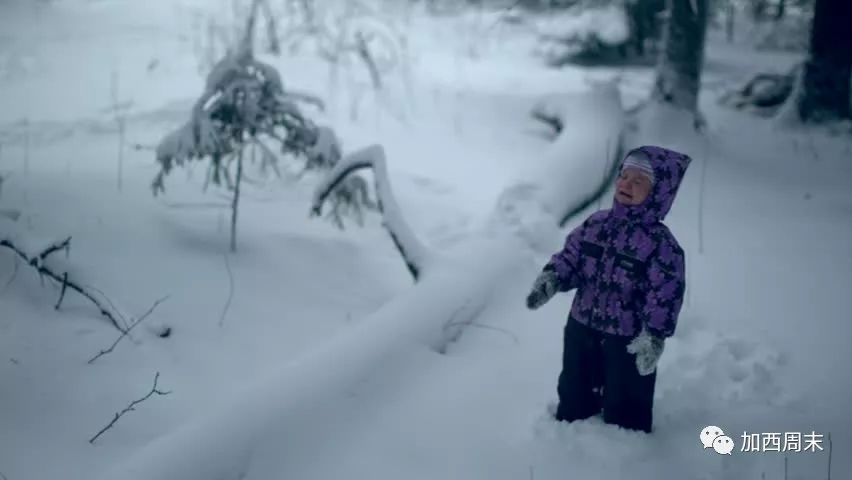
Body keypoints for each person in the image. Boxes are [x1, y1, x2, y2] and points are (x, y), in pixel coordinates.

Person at [525, 145, 691, 434]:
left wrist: (653, 336)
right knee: (575, 383)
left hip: (627, 336)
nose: (627, 184)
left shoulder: (661, 245)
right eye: (624, 176)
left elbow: (665, 292)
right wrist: (552, 278)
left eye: (639, 181)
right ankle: (570, 426)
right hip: (582, 324)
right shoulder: (597, 224)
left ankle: (627, 442)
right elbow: (572, 257)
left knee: (627, 394)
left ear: (659, 192)